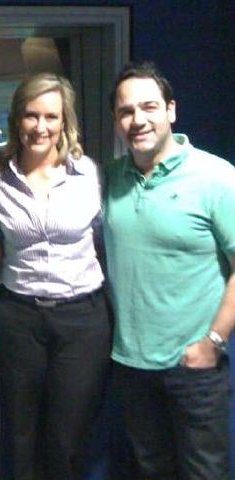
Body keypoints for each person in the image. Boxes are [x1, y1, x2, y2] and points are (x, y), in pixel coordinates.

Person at [104, 61, 235, 480]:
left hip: (194, 367)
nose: (138, 120)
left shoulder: (217, 177)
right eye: (126, 111)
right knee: (151, 471)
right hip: (131, 366)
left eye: (149, 107)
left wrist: (214, 342)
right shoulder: (110, 179)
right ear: (116, 121)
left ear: (171, 110)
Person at [0, 73, 110, 480]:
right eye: (31, 115)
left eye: (51, 116)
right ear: (17, 119)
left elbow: (104, 242)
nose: (40, 126)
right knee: (20, 435)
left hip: (82, 320)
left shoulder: (89, 174)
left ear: (64, 121)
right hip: (19, 319)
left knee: (67, 438)